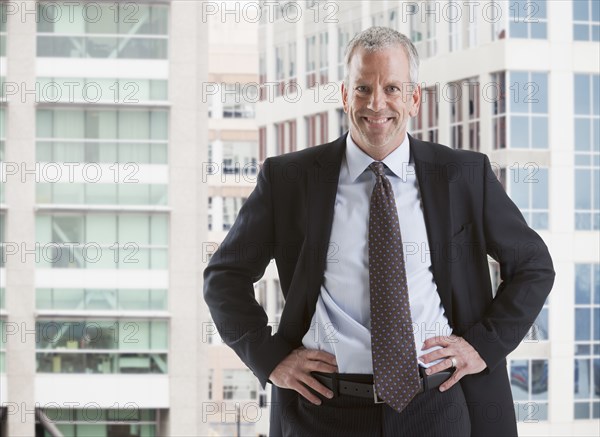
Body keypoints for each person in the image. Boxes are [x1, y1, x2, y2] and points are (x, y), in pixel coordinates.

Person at [204, 27, 555, 436]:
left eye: (391, 88)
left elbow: (533, 265)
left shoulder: (462, 175)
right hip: (323, 410)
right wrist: (269, 357)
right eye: (363, 88)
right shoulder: (289, 178)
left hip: (436, 406)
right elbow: (223, 277)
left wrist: (484, 345)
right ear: (343, 95)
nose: (376, 103)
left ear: (414, 98)